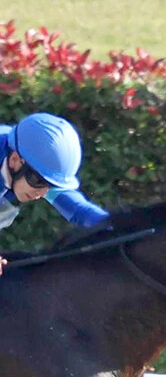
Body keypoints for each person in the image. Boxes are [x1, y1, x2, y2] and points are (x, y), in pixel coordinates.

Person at [0, 112, 110, 275]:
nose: (43, 192)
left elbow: (80, 210)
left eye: (52, 185)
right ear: (15, 160)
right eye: (38, 181)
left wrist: (118, 225)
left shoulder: (31, 163)